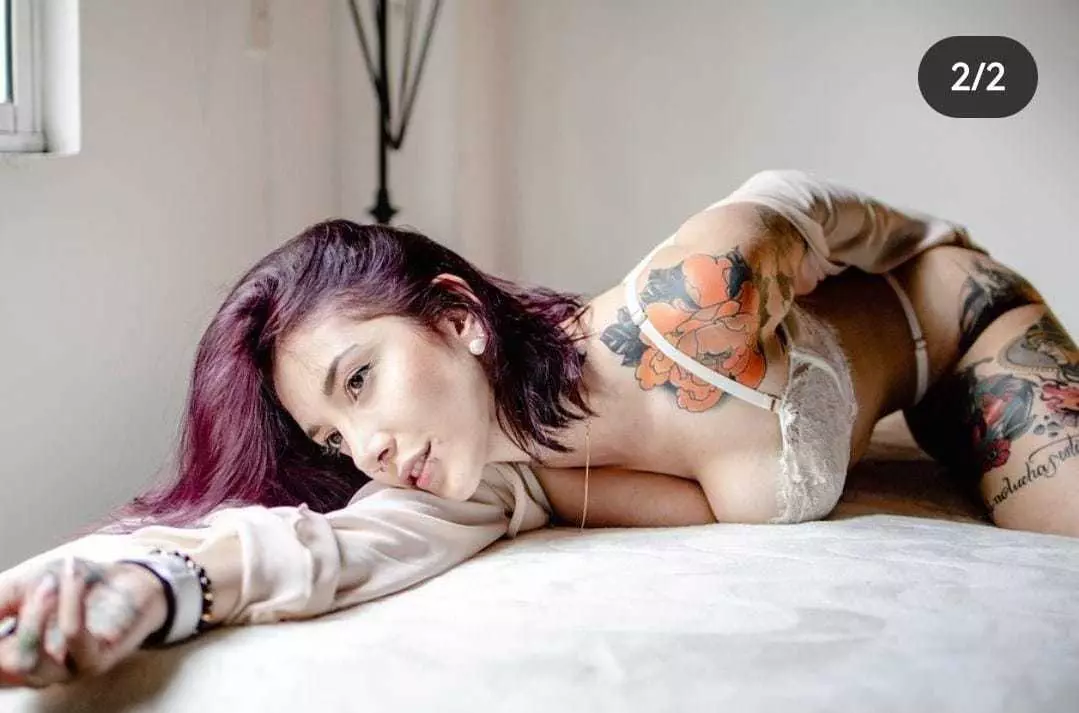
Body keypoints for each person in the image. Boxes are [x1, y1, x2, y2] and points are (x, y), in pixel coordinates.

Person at [2, 169, 1076, 689]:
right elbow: (332, 548)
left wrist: (941, 238)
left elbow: (821, 207)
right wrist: (148, 584)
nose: (365, 447)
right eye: (332, 436)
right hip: (903, 399)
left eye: (361, 379)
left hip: (962, 321)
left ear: (457, 318)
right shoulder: (498, 483)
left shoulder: (688, 302)